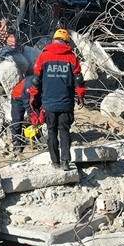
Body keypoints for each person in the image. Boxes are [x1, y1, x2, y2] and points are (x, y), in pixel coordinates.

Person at [30, 28, 86, 170]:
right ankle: (66, 162)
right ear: (67, 41)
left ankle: (55, 163)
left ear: (54, 40)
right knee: (64, 131)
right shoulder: (72, 57)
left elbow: (36, 81)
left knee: (51, 132)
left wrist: (33, 98)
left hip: (49, 103)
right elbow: (79, 80)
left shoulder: (44, 56)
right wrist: (81, 96)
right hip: (66, 103)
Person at [8, 74, 37, 153]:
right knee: (17, 120)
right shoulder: (29, 84)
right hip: (17, 98)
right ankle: (16, 142)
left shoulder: (41, 80)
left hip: (30, 96)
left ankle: (36, 135)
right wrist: (31, 113)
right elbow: (26, 101)